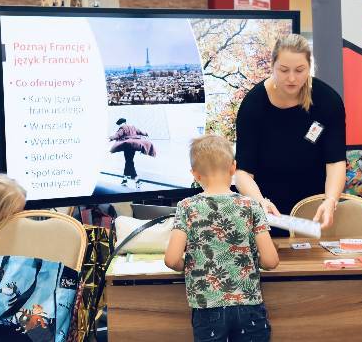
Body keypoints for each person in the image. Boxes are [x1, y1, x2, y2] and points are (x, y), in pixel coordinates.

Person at [165, 134, 279, 342]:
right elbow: (271, 261)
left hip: (207, 308)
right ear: (233, 168)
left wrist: (190, 264)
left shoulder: (186, 207)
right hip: (249, 307)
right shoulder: (251, 206)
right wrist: (252, 261)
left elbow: (172, 260)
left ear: (195, 175)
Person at [234, 34, 347, 235]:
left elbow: (335, 160)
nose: (292, 78)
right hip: (269, 211)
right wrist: (260, 202)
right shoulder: (253, 105)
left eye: (300, 70)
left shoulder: (327, 101)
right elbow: (243, 172)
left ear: (309, 67)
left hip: (313, 208)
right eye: (284, 70)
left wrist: (331, 200)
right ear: (272, 66)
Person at [109, 118, 156, 188]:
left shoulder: (122, 128)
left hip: (127, 146)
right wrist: (146, 133)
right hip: (134, 145)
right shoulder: (133, 127)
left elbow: (117, 135)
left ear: (121, 123)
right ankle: (124, 180)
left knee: (129, 162)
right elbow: (140, 132)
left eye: (119, 124)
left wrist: (110, 138)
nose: (118, 126)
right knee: (129, 161)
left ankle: (137, 180)